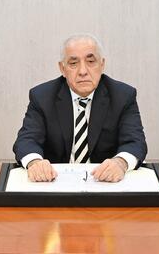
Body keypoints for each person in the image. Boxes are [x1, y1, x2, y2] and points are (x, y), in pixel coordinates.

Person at [13, 34, 147, 183]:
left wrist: (120, 163)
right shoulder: (42, 97)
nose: (83, 71)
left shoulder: (122, 96)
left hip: (104, 183)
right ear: (62, 68)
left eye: (91, 61)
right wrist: (34, 163)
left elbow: (135, 142)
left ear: (102, 64)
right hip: (56, 183)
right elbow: (27, 140)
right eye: (73, 63)